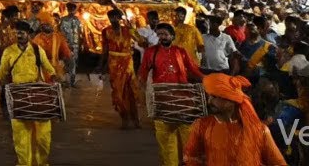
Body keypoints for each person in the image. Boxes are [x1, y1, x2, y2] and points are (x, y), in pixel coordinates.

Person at [182, 74, 286, 165]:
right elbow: (190, 157)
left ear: (232, 100)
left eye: (216, 97)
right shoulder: (202, 126)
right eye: (210, 96)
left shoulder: (259, 130)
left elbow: (278, 163)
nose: (209, 101)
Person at [138, 23, 203, 166]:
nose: (162, 37)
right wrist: (144, 94)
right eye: (159, 34)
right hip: (162, 100)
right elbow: (143, 73)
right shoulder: (151, 52)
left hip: (183, 101)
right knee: (166, 142)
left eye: (165, 34)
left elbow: (193, 70)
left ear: (172, 36)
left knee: (189, 141)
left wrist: (207, 81)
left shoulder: (181, 51)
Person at [0, 21, 56, 166]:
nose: (19, 35)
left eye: (22, 33)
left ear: (28, 34)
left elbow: (49, 68)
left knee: (43, 136)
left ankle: (42, 163)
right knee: (21, 137)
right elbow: (1, 72)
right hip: (18, 96)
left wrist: (54, 79)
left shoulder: (37, 50)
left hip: (37, 95)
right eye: (17, 33)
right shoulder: (9, 51)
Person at [100, 9, 140, 129]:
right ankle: (124, 117)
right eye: (111, 18)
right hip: (113, 64)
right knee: (118, 91)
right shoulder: (106, 31)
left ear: (120, 18)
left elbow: (142, 41)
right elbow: (105, 49)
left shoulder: (127, 30)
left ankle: (136, 118)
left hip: (127, 63)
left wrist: (132, 28)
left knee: (131, 91)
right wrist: (101, 66)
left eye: (115, 17)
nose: (113, 20)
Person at [57, 3, 83, 88]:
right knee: (65, 63)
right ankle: (65, 81)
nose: (72, 11)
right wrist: (64, 44)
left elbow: (80, 33)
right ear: (67, 10)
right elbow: (60, 33)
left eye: (73, 9)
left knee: (74, 63)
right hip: (66, 45)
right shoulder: (63, 20)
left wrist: (81, 43)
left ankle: (72, 81)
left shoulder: (77, 20)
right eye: (70, 9)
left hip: (75, 45)